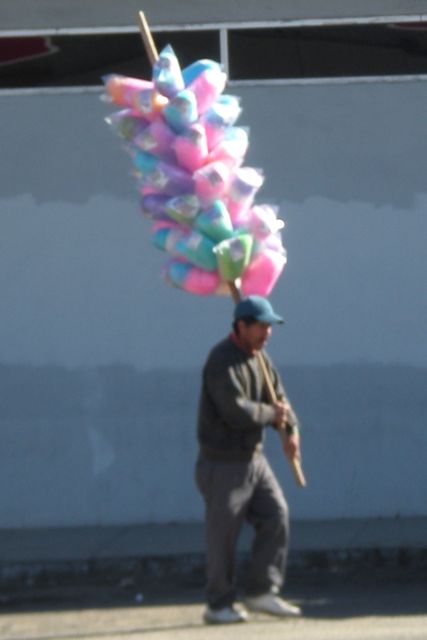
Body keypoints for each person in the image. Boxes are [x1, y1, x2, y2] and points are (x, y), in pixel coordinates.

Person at [195, 294, 302, 624]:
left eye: (269, 327)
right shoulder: (220, 360)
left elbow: (279, 398)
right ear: (241, 326)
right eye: (260, 327)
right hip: (223, 463)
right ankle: (218, 603)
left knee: (276, 515)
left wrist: (292, 430)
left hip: (254, 460)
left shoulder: (261, 359)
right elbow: (235, 410)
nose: (266, 333)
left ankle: (261, 591)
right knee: (223, 534)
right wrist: (272, 415)